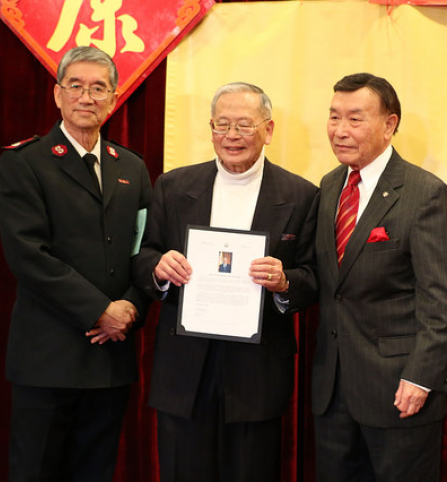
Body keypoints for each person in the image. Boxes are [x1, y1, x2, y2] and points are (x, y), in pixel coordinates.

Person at [132, 82, 318, 482]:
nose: (231, 136)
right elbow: (144, 256)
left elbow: (313, 277)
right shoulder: (173, 185)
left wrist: (285, 282)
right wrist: (160, 269)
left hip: (258, 369)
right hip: (184, 367)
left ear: (268, 130)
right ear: (210, 128)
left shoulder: (301, 195)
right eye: (222, 125)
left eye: (244, 126)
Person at [0, 46, 153, 481]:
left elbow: (145, 250)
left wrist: (130, 309)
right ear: (57, 95)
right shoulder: (25, 162)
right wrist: (99, 309)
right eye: (76, 86)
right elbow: (28, 255)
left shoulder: (133, 168)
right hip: (48, 357)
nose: (87, 97)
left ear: (114, 98)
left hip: (110, 359)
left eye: (98, 87)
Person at [312, 73, 447, 481]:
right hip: (332, 390)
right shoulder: (329, 186)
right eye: (333, 117)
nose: (340, 131)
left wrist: (421, 376)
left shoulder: (423, 193)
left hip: (400, 390)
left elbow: (442, 300)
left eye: (355, 119)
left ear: (390, 124)